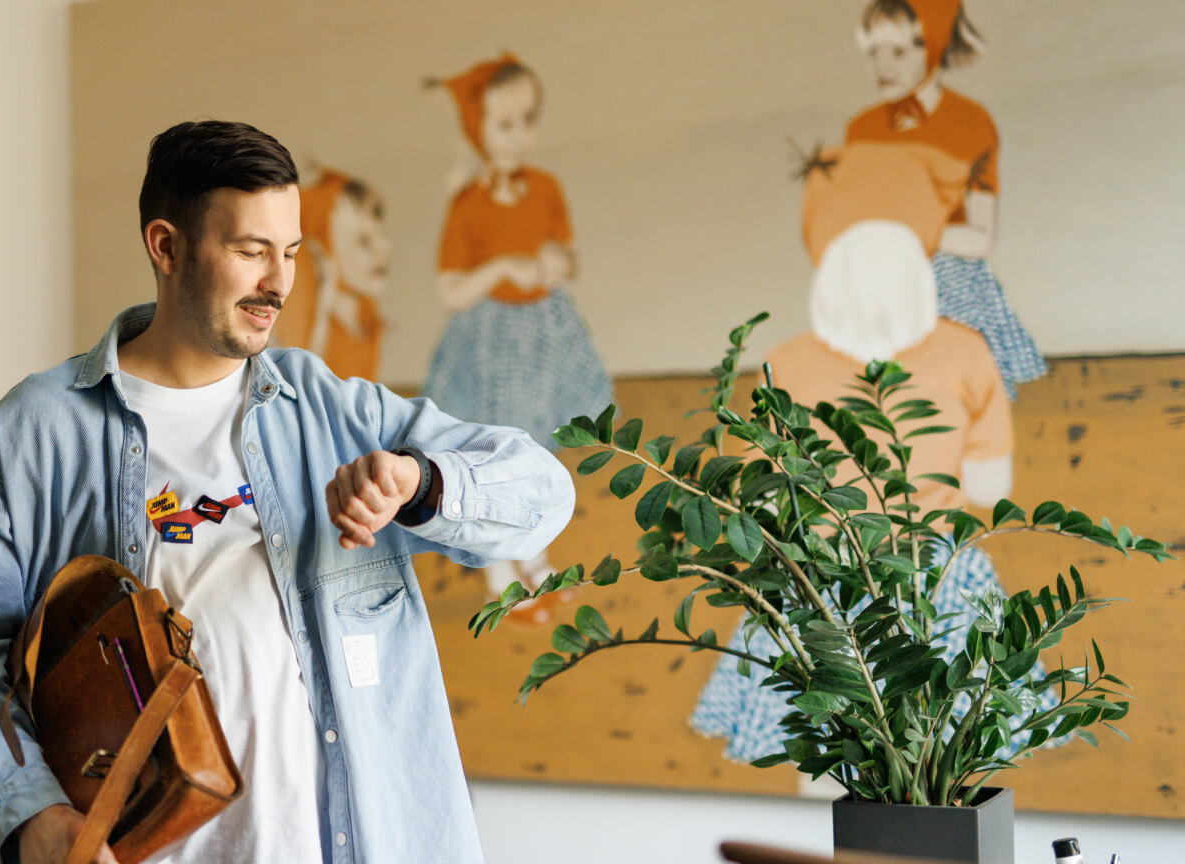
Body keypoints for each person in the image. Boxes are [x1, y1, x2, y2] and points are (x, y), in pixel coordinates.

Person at [0, 120, 573, 864]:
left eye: (289, 253)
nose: (277, 283)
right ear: (166, 246)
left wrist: (419, 481)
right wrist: (29, 814)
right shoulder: (31, 435)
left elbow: (543, 493)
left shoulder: (339, 414)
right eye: (251, 252)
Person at [689, 142, 1054, 764]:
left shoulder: (787, 361)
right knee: (952, 765)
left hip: (818, 589)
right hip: (941, 582)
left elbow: (774, 500)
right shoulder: (968, 352)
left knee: (827, 762)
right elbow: (990, 490)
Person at [423, 53, 611, 616]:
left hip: (544, 340)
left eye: (528, 119)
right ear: (477, 130)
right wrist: (500, 267)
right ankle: (497, 563)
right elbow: (449, 290)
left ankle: (534, 549)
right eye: (505, 123)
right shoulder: (469, 205)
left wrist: (557, 259)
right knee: (491, 451)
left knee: (534, 450)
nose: (519, 135)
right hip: (490, 348)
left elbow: (568, 256)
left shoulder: (545, 188)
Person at [847, 0, 1046, 400]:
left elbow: (980, 239)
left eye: (899, 51)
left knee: (953, 411)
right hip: (885, 288)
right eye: (873, 52)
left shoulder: (970, 123)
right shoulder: (862, 130)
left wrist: (913, 232)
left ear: (935, 47)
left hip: (953, 291)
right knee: (883, 415)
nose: (882, 65)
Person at [269, 168, 390, 380]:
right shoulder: (303, 317)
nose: (384, 247)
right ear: (320, 252)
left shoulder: (366, 317)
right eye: (363, 241)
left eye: (380, 234)